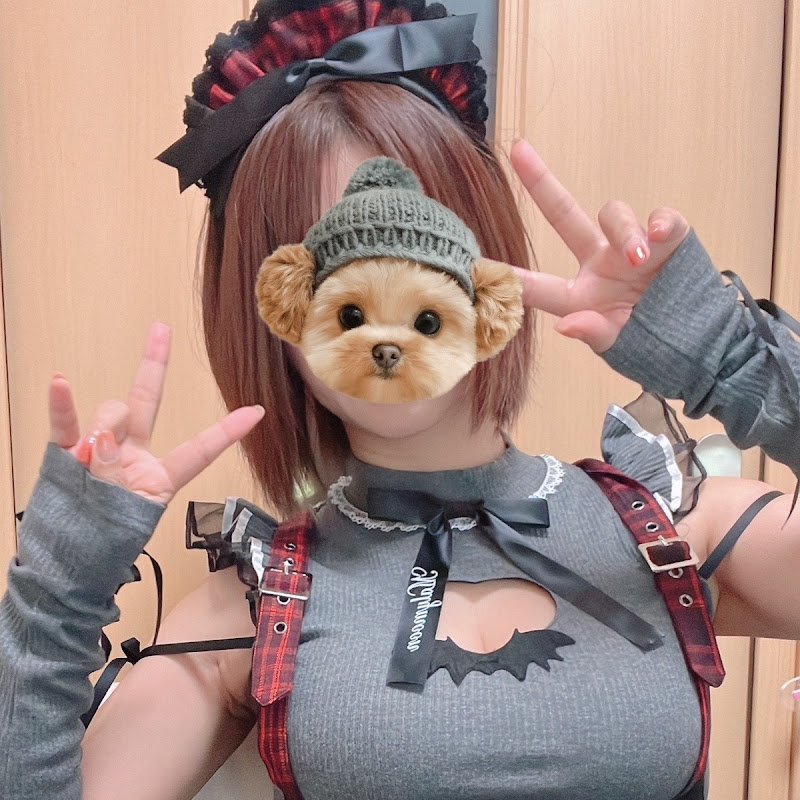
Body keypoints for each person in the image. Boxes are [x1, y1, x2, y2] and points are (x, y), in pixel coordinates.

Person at [2, 1, 800, 799]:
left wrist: (732, 360)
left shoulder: (673, 526)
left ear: (485, 279)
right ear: (280, 314)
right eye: (340, 285)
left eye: (417, 257)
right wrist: (55, 594)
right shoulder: (254, 605)